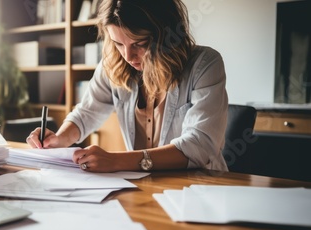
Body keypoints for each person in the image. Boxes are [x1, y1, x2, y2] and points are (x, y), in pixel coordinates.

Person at [26, 0, 229, 173]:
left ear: (164, 34)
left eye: (139, 44)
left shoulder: (205, 64)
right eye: (118, 44)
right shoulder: (114, 66)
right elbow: (86, 113)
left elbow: (199, 146)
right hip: (146, 187)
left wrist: (116, 161)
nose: (128, 57)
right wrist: (60, 139)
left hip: (201, 187)